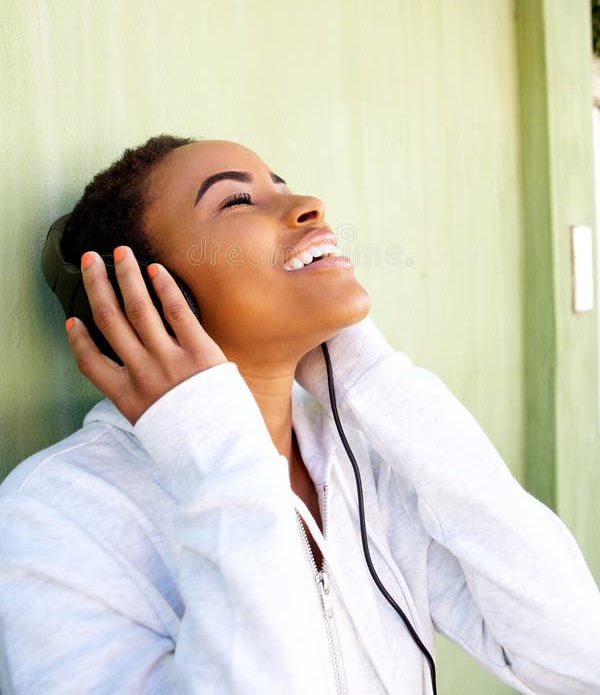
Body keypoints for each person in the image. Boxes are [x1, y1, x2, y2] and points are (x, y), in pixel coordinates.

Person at [0, 134, 599, 695]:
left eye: (283, 186)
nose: (309, 205)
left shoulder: (361, 458)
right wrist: (216, 452)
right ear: (151, 303)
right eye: (238, 200)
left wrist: (371, 377)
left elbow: (576, 659)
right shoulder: (55, 515)